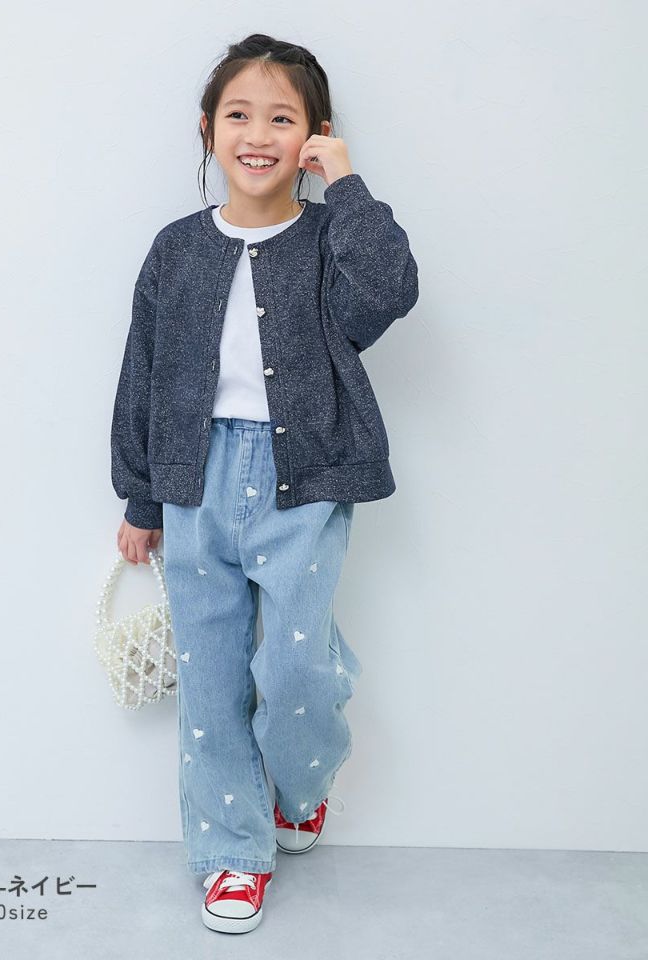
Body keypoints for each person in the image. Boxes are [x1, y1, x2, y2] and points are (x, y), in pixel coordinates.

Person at [110, 33, 419, 934]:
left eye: (282, 118)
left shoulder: (330, 239)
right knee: (210, 683)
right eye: (238, 115)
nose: (257, 135)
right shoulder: (176, 249)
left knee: (293, 669)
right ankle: (232, 854)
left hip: (306, 476)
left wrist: (346, 185)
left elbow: (389, 293)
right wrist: (140, 497)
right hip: (191, 479)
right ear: (208, 130)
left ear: (313, 135)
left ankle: (301, 786)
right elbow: (142, 373)